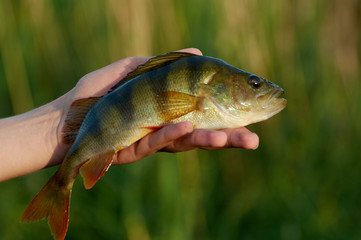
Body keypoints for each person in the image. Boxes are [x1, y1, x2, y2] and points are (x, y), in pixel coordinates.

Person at [0, 48, 259, 182]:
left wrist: (54, 128)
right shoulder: (206, 76)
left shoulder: (208, 83)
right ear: (221, 84)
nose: (259, 87)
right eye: (254, 83)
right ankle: (60, 186)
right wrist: (60, 125)